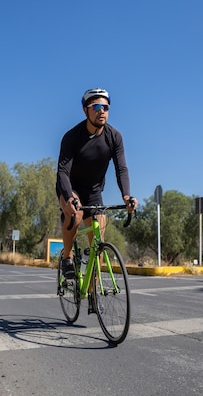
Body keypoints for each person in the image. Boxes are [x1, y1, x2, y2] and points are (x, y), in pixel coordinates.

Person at [56, 88, 137, 279]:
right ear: (86, 110)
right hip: (71, 187)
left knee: (98, 244)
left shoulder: (114, 136)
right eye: (97, 106)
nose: (102, 111)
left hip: (94, 190)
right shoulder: (72, 137)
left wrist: (126, 196)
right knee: (75, 215)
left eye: (106, 107)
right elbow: (62, 171)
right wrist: (68, 197)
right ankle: (67, 258)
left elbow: (121, 169)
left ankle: (94, 295)